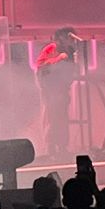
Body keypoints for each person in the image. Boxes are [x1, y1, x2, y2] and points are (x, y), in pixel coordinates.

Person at [35, 26, 79, 158]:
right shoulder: (51, 48)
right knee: (51, 118)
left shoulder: (70, 52)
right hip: (50, 90)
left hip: (62, 89)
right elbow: (40, 65)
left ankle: (62, 147)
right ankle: (51, 148)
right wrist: (58, 58)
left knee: (62, 118)